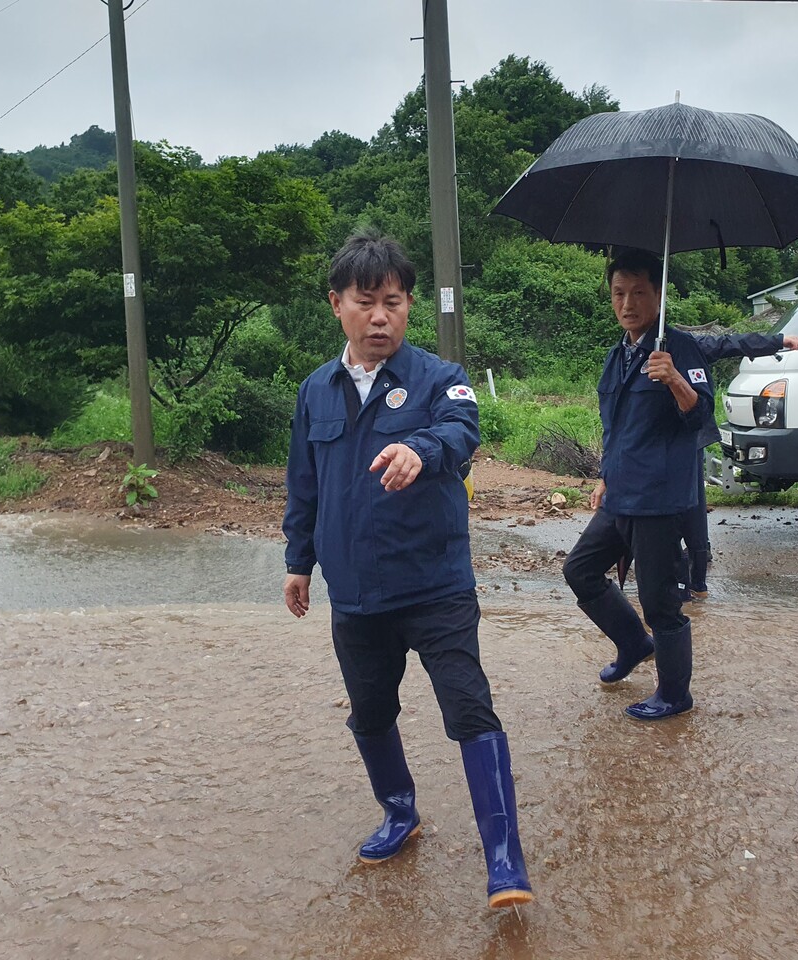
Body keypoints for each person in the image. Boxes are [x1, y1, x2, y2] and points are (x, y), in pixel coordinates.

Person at [281, 229, 534, 908]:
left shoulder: (441, 380)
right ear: (336, 304)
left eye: (393, 302)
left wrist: (422, 447)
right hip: (357, 594)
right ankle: (399, 810)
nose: (380, 316)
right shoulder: (315, 392)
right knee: (369, 713)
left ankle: (504, 859)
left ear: (409, 306)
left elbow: (463, 433)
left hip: (435, 586)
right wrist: (297, 562)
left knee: (469, 708)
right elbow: (303, 484)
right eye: (365, 303)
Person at [563, 249, 715, 720]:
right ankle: (633, 643)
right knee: (580, 570)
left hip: (659, 498)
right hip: (621, 492)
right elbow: (616, 427)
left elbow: (702, 417)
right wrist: (605, 477)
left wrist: (674, 381)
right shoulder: (618, 354)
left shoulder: (679, 348)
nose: (627, 303)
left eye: (639, 293)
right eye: (618, 294)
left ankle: (675, 694)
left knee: (660, 601)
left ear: (658, 295)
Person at [679, 329, 798, 599]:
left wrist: (779, 340)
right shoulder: (631, 354)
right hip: (657, 447)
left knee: (691, 507)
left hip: (687, 442)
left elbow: (733, 342)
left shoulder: (686, 345)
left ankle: (696, 582)